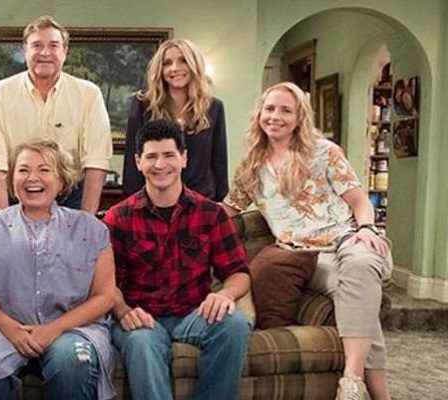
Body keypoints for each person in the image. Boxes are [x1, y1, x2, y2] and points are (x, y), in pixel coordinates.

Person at [222, 82, 393, 400]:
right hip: (303, 257)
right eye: (270, 109)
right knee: (360, 301)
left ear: (299, 117)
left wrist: (368, 229)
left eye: (286, 110)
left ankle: (352, 381)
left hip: (345, 242)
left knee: (360, 269)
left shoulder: (324, 152)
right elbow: (226, 210)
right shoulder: (251, 167)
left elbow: (359, 202)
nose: (275, 116)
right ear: (259, 113)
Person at [0, 139, 117, 400]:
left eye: (44, 170)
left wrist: (53, 329)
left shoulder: (91, 229)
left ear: (62, 180)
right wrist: (9, 326)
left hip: (71, 329)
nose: (32, 178)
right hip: (1, 327)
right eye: (23, 170)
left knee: (72, 362)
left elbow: (105, 296)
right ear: (12, 179)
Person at [104, 119, 251, 400]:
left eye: (169, 155)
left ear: (184, 158)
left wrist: (226, 294)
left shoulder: (211, 213)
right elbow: (105, 283)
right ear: (138, 162)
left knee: (235, 325)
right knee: (141, 343)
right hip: (141, 316)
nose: (160, 164)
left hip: (194, 314)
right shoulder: (118, 218)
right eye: (151, 156)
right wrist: (122, 310)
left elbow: (239, 272)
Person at [0, 15, 112, 213]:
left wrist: (86, 221)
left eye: (54, 45)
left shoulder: (88, 94)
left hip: (70, 197)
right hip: (16, 196)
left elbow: (96, 161)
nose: (45, 53)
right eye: (37, 45)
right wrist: (5, 220)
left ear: (65, 51)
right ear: (25, 50)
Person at [122, 39, 228, 201]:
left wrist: (221, 204)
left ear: (194, 65)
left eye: (183, 61)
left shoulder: (213, 107)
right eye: (167, 63)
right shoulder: (143, 105)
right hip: (154, 201)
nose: (174, 68)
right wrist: (134, 203)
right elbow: (132, 159)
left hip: (201, 202)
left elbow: (219, 162)